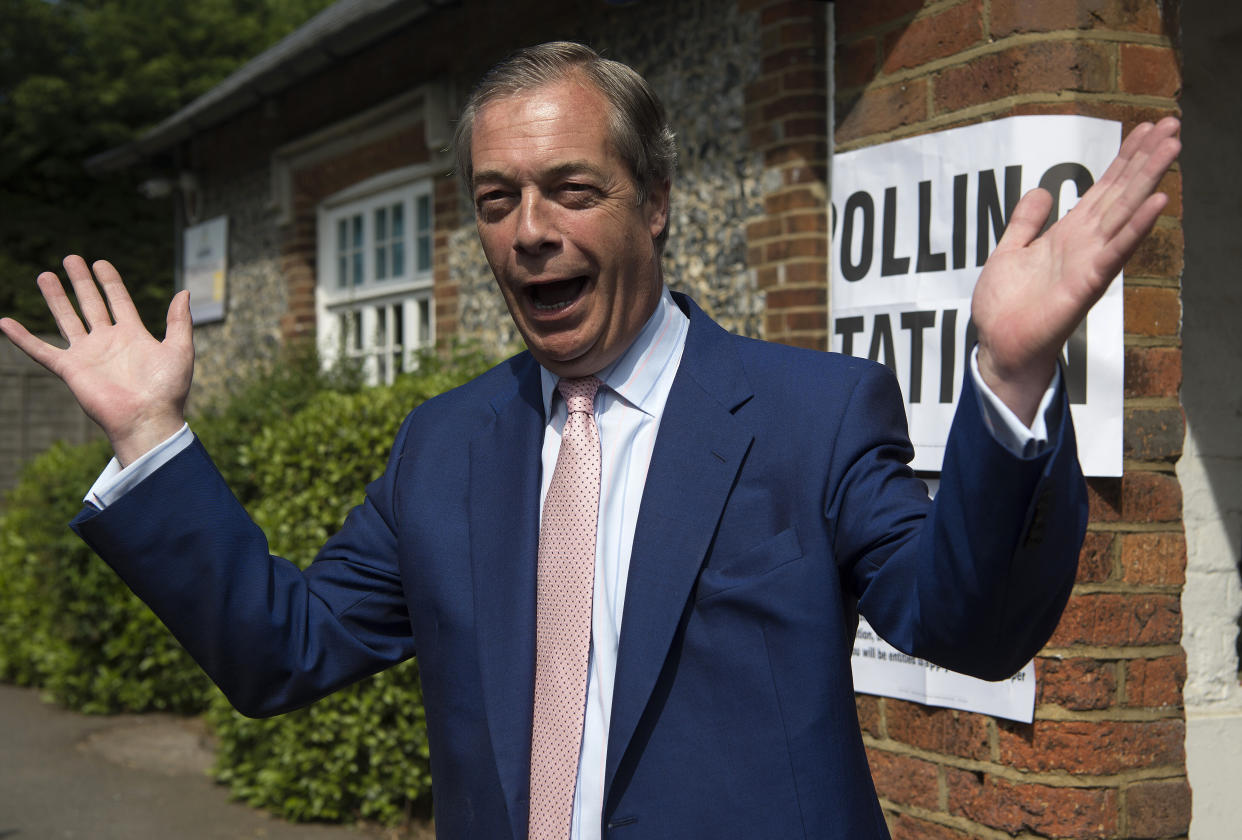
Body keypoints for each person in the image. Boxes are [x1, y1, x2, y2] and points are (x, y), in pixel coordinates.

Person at [0, 42, 1180, 840]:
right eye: (497, 198)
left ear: (655, 202)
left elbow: (963, 627)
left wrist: (1013, 374)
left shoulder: (810, 414)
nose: (528, 233)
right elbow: (282, 653)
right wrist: (154, 440)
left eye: (570, 189)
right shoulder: (444, 447)